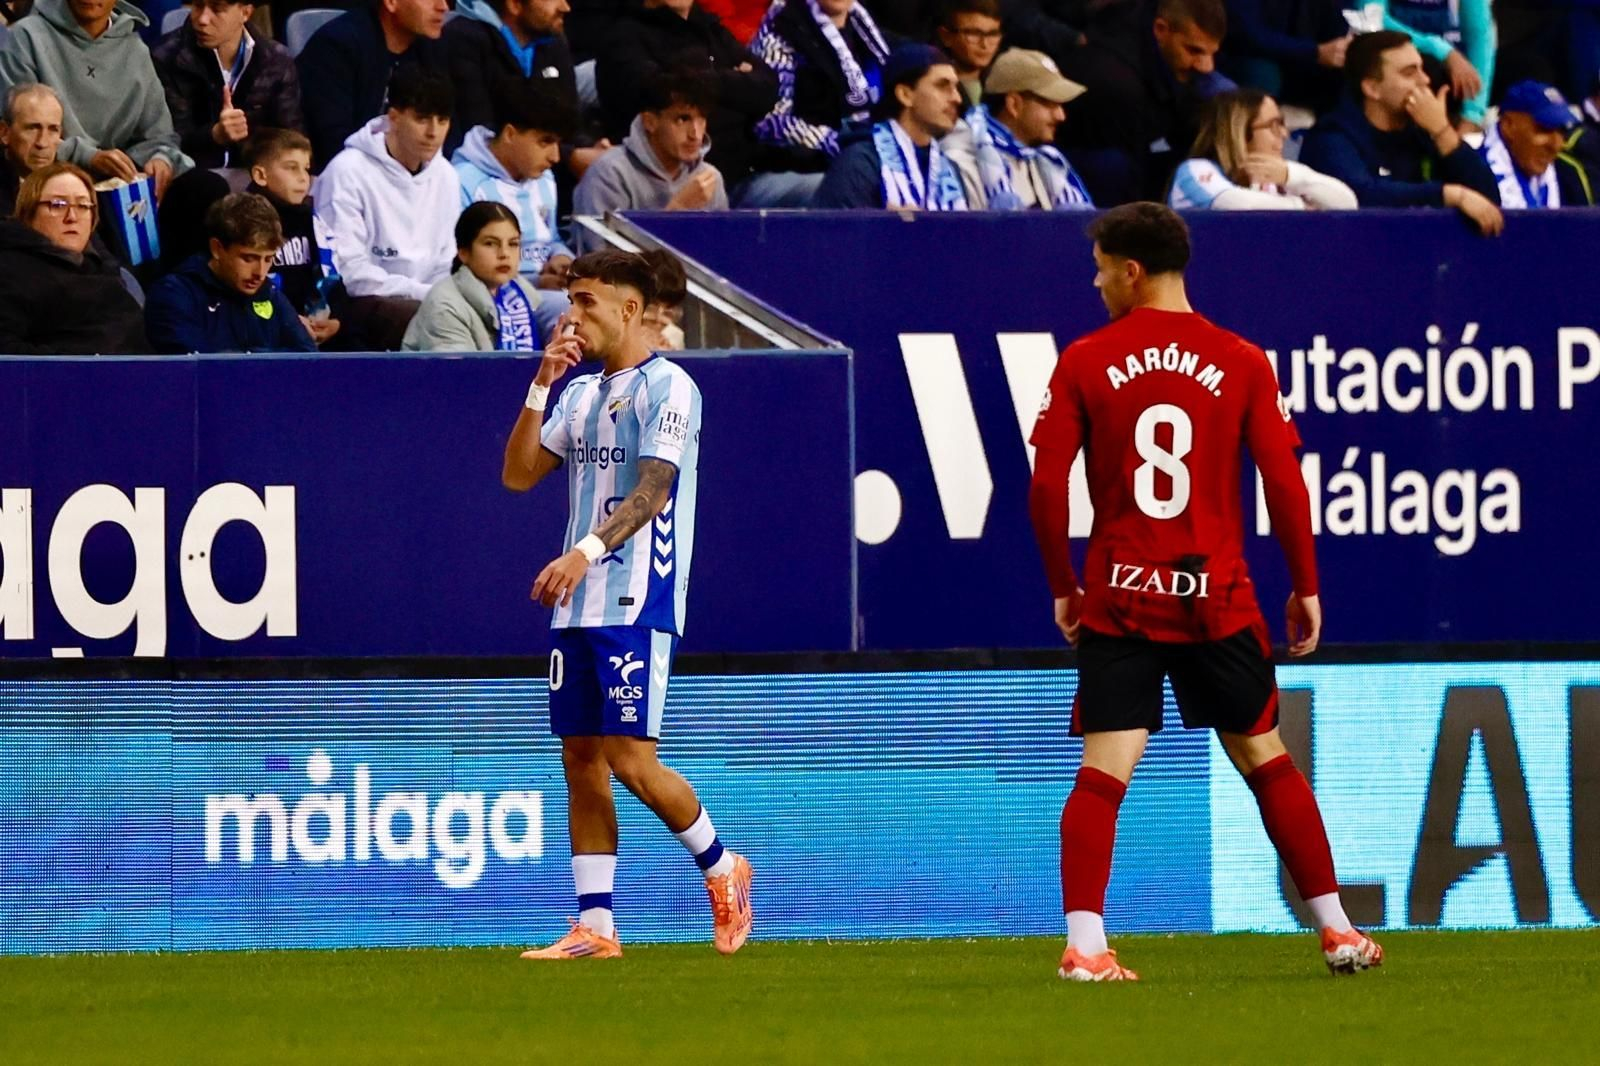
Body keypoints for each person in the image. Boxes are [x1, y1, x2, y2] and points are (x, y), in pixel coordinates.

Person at [1028, 201, 1383, 981]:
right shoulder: (1243, 359)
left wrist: (1065, 585)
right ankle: (1338, 931)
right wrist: (1306, 586)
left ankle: (1086, 946)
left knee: (1101, 774)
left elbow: (1047, 484)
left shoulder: (1086, 359)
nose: (1094, 284)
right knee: (1266, 758)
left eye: (1099, 269)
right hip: (1214, 593)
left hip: (1119, 592)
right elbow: (1285, 484)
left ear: (1131, 270)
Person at [501, 247, 754, 961]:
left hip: (637, 594)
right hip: (576, 606)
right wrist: (541, 384)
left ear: (630, 308)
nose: (572, 314)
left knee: (633, 760)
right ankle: (596, 928)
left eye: (586, 302)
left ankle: (723, 865)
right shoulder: (579, 393)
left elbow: (653, 491)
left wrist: (584, 552)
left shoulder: (669, 388)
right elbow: (519, 475)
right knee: (581, 757)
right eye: (571, 300)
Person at [313, 64, 459, 350]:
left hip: (429, 297)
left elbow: (447, 261)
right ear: (394, 117)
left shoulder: (446, 175)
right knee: (427, 318)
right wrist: (429, 296)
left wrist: (440, 295)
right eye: (422, 119)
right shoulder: (346, 171)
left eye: (442, 121)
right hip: (357, 304)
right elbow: (349, 273)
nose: (433, 132)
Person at [1299, 30, 1502, 234]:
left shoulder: (1423, 132)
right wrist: (1449, 195)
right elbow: (1361, 195)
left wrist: (1443, 131)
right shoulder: (1331, 137)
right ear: (1372, 88)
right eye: (1409, 72)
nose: (1425, 81)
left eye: (1422, 69)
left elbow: (1489, 202)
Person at [0, 0, 189, 198]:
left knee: (201, 187)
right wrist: (88, 157)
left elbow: (159, 134)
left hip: (119, 180)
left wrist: (160, 159)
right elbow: (18, 130)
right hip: (50, 174)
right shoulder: (27, 36)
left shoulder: (135, 49)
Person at [1054, 0, 1235, 204]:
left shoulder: (1180, 68)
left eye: (1213, 53)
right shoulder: (1118, 85)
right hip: (1096, 161)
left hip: (1145, 132)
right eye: (1194, 51)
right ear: (1161, 30)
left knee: (1226, 97)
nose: (1206, 66)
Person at [596, 0, 779, 200]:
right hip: (665, 186)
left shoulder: (710, 28)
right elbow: (659, 92)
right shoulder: (624, 37)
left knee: (815, 184)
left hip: (744, 176)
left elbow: (767, 89)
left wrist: (702, 79)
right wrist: (731, 79)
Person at [748, 0, 893, 206]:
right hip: (789, 169)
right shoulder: (781, 30)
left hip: (861, 158)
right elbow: (771, 122)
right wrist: (845, 146)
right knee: (856, 189)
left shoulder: (868, 32)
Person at [453, 76, 577, 315]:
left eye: (558, 144)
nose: (555, 157)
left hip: (548, 291)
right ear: (510, 134)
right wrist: (535, 283)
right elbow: (461, 267)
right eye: (545, 142)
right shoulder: (463, 181)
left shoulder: (545, 178)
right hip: (493, 298)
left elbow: (551, 238)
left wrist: (561, 258)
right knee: (570, 312)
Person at [0, 161, 148, 353]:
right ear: (28, 213)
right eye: (58, 205)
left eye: (83, 205)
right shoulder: (9, 272)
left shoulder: (107, 276)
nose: (72, 216)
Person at [145, 191, 317, 354]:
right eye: (249, 258)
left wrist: (249, 357)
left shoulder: (269, 293)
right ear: (217, 249)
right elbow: (198, 370)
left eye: (268, 259)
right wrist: (263, 359)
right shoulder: (174, 294)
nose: (260, 272)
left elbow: (308, 359)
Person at [573, 69, 727, 246]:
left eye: (702, 120)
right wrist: (677, 212)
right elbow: (602, 262)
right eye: (682, 119)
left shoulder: (709, 178)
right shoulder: (609, 174)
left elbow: (721, 253)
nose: (696, 134)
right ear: (650, 122)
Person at [151, 0, 304, 171]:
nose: (202, 19)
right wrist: (214, 135)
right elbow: (167, 140)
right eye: (198, 6)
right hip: (194, 176)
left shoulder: (276, 60)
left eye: (217, 9)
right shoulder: (166, 57)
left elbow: (291, 136)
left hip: (258, 174)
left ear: (245, 13)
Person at [813, 42, 969, 209]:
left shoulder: (949, 170)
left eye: (956, 87)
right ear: (905, 95)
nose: (957, 98)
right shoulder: (860, 163)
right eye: (942, 86)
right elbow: (832, 234)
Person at [296, 0, 449, 169]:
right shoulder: (336, 46)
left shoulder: (431, 51)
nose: (443, 7)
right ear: (391, 3)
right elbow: (332, 143)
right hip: (348, 178)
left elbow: (449, 131)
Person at [943, 46, 1094, 209]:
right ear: (1014, 104)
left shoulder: (1046, 161)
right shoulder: (961, 160)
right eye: (1049, 104)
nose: (1060, 116)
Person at [1170, 86, 1355, 208]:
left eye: (1282, 124)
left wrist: (1291, 176)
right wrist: (1299, 206)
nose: (1284, 134)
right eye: (1273, 125)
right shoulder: (1194, 170)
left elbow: (1348, 203)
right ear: (1239, 132)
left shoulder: (1278, 180)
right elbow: (1233, 203)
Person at [402, 201, 547, 350]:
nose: (504, 254)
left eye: (513, 244)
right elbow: (462, 372)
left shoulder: (521, 289)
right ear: (464, 252)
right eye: (490, 243)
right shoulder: (444, 307)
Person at [247, 128, 343, 346]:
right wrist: (289, 321)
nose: (303, 178)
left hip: (313, 325)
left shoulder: (312, 222)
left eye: (306, 169)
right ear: (260, 175)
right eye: (291, 168)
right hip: (266, 330)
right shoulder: (243, 222)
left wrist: (336, 321)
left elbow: (333, 280)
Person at [444, 0, 580, 155]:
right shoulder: (463, 41)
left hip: (550, 162)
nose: (565, 7)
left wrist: (585, 150)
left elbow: (570, 123)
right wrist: (568, 155)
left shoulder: (553, 41)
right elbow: (479, 134)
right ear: (514, 5)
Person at [1372, 0, 1492, 131]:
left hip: (1443, 70)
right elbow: (1373, 17)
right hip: (1392, 58)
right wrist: (1443, 51)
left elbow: (1479, 34)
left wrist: (1472, 115)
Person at [1480, 80, 1593, 208]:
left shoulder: (1567, 177)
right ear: (1508, 126)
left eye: (1562, 131)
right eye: (1544, 129)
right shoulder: (1476, 180)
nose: (1556, 145)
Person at [1217, 0, 1350, 110]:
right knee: (1261, 71)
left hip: (1309, 55)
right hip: (1254, 57)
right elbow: (1248, 34)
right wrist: (1314, 51)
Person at [0, 82, 62, 214]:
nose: (42, 143)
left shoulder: (70, 186)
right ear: (4, 132)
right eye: (32, 128)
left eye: (53, 130)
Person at [933, 0, 1004, 108]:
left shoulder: (1003, 87)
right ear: (946, 37)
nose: (984, 44)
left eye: (992, 34)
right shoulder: (933, 86)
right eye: (974, 33)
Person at [639, 244, 687, 350]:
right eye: (651, 308)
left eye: (668, 312)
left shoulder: (673, 337)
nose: (658, 320)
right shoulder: (605, 333)